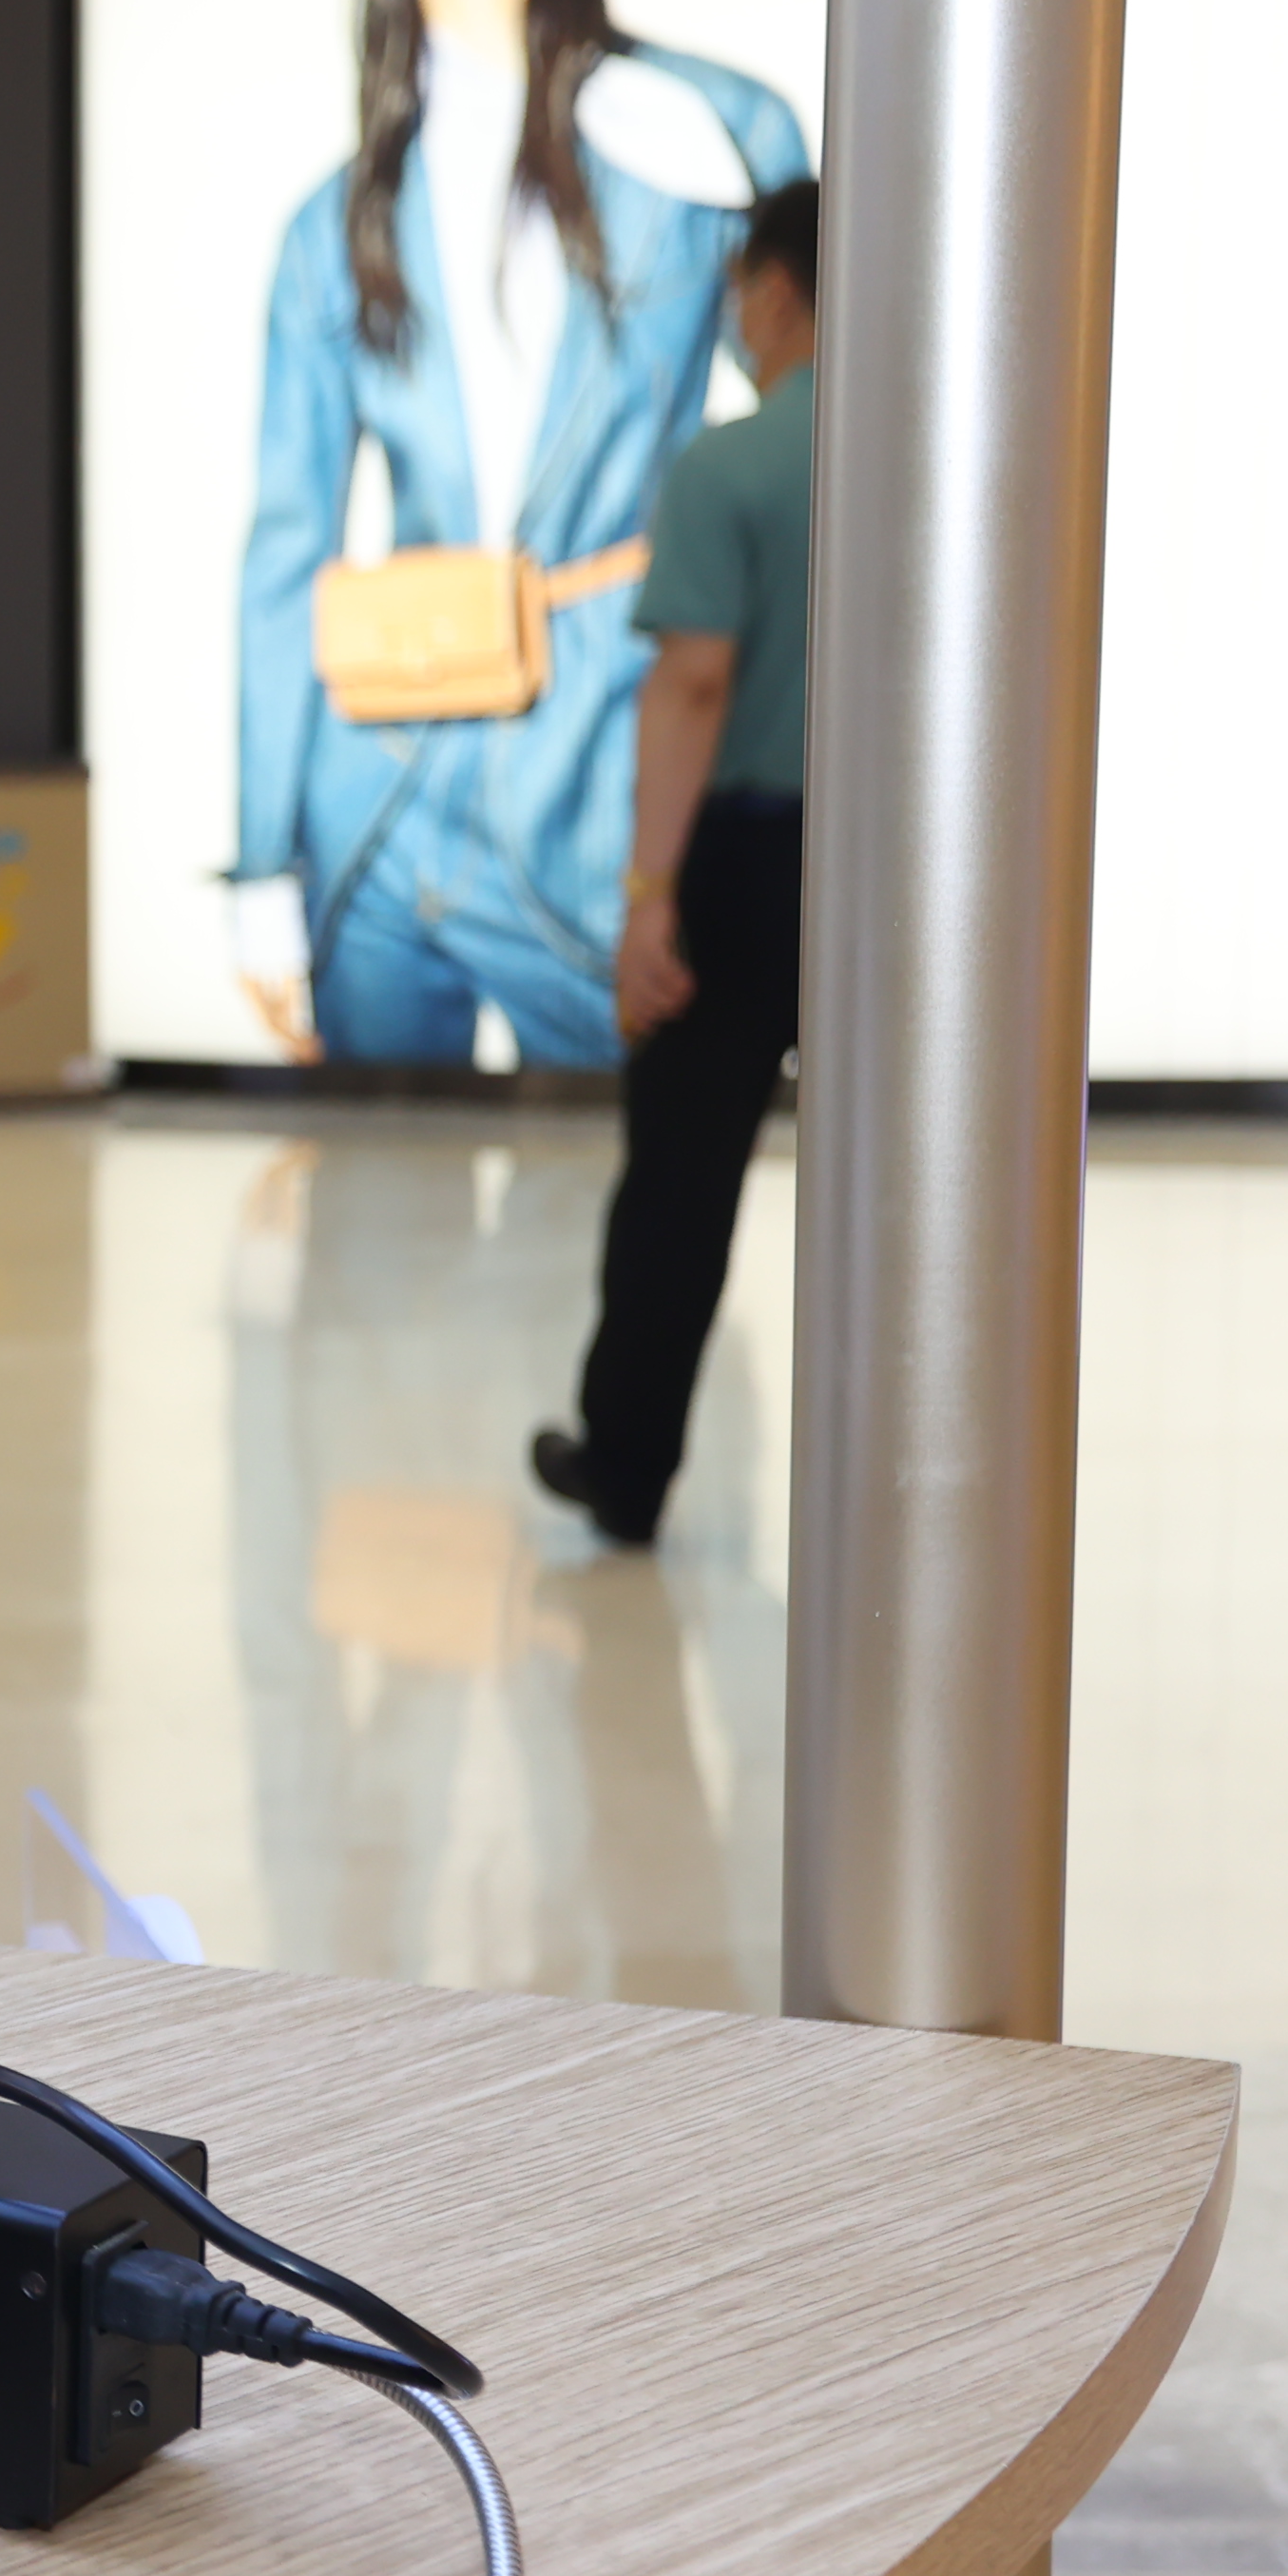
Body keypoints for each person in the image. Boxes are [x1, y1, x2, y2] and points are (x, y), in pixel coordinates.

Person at [228, 0, 806, 1070]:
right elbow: (285, 551)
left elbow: (823, 422)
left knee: (625, 1190)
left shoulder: (711, 130)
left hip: (604, 780)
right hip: (379, 800)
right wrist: (261, 867)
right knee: (376, 1198)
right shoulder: (331, 225)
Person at [534, 179, 817, 1549]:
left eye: (741, 298)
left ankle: (628, 1463)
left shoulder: (732, 470)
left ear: (777, 293)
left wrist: (649, 901)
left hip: (752, 860)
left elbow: (694, 684)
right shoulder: (934, 465)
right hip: (900, 878)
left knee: (682, 1179)